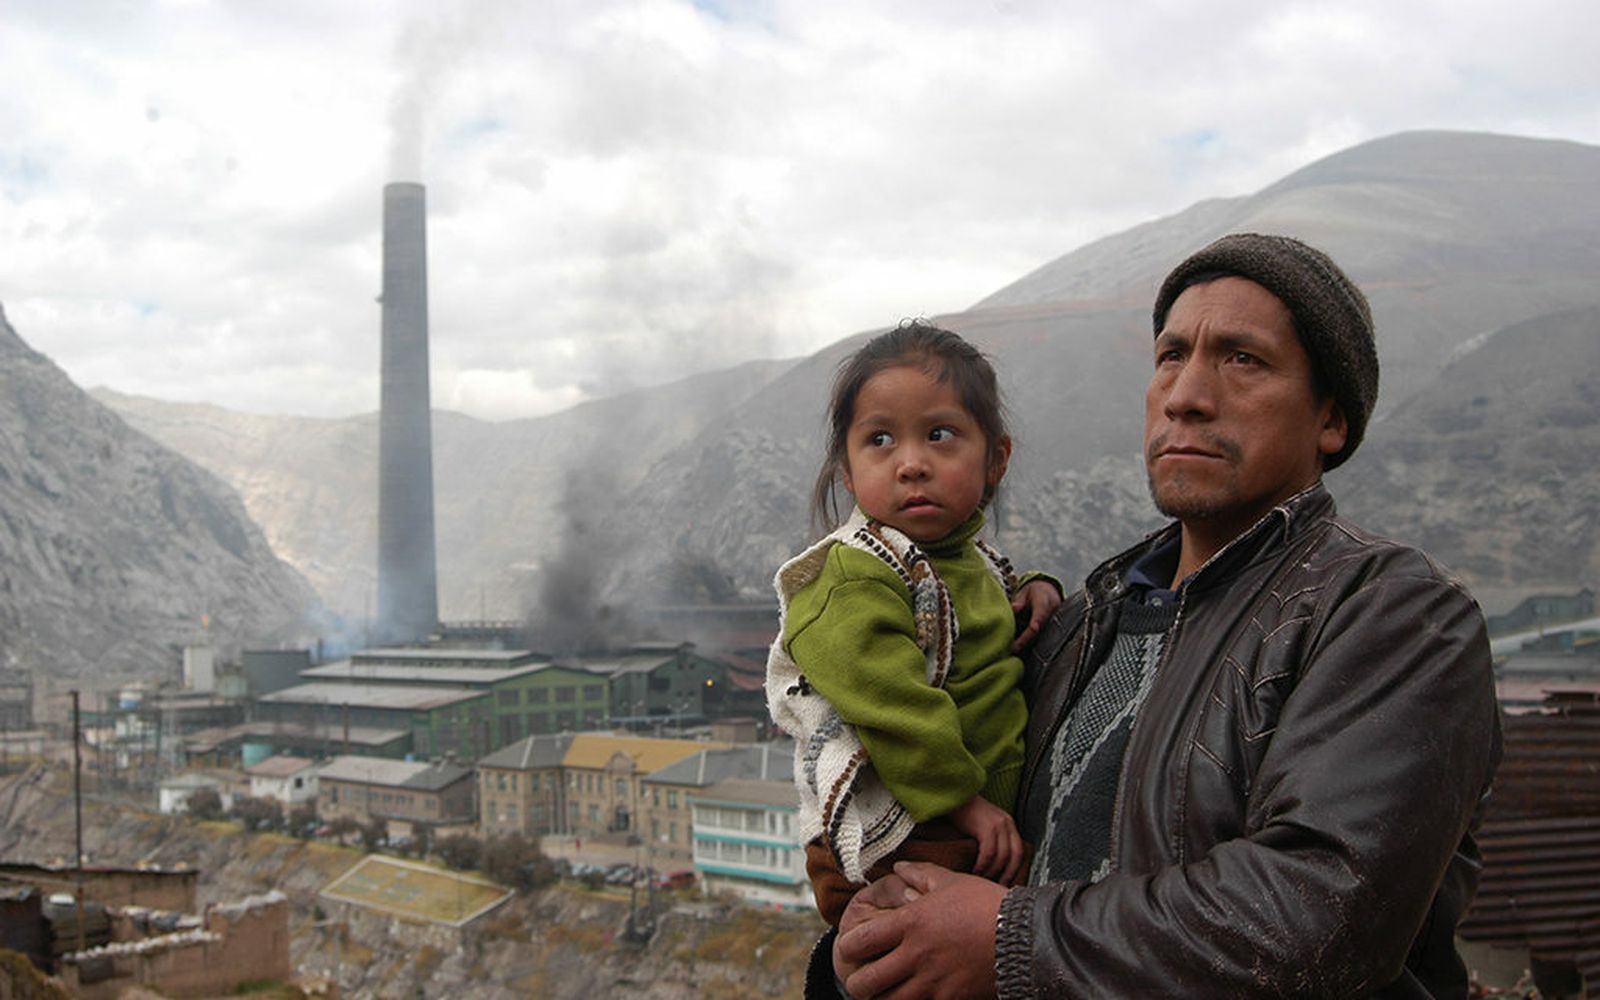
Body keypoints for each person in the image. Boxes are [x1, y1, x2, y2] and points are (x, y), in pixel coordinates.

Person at [816, 234, 1503, 998]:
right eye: (1172, 356)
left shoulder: (1393, 617)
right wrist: (870, 944)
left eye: (1242, 359)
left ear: (1331, 420)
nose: (1185, 395)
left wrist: (1009, 938)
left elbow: (1314, 919)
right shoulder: (1074, 631)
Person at [767, 321, 1062, 926]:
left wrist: (1036, 588)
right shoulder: (855, 578)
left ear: (995, 459)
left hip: (977, 822)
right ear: (847, 472)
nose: (911, 464)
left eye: (940, 434)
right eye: (880, 439)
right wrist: (967, 805)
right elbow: (895, 710)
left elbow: (985, 598)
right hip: (909, 833)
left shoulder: (966, 559)